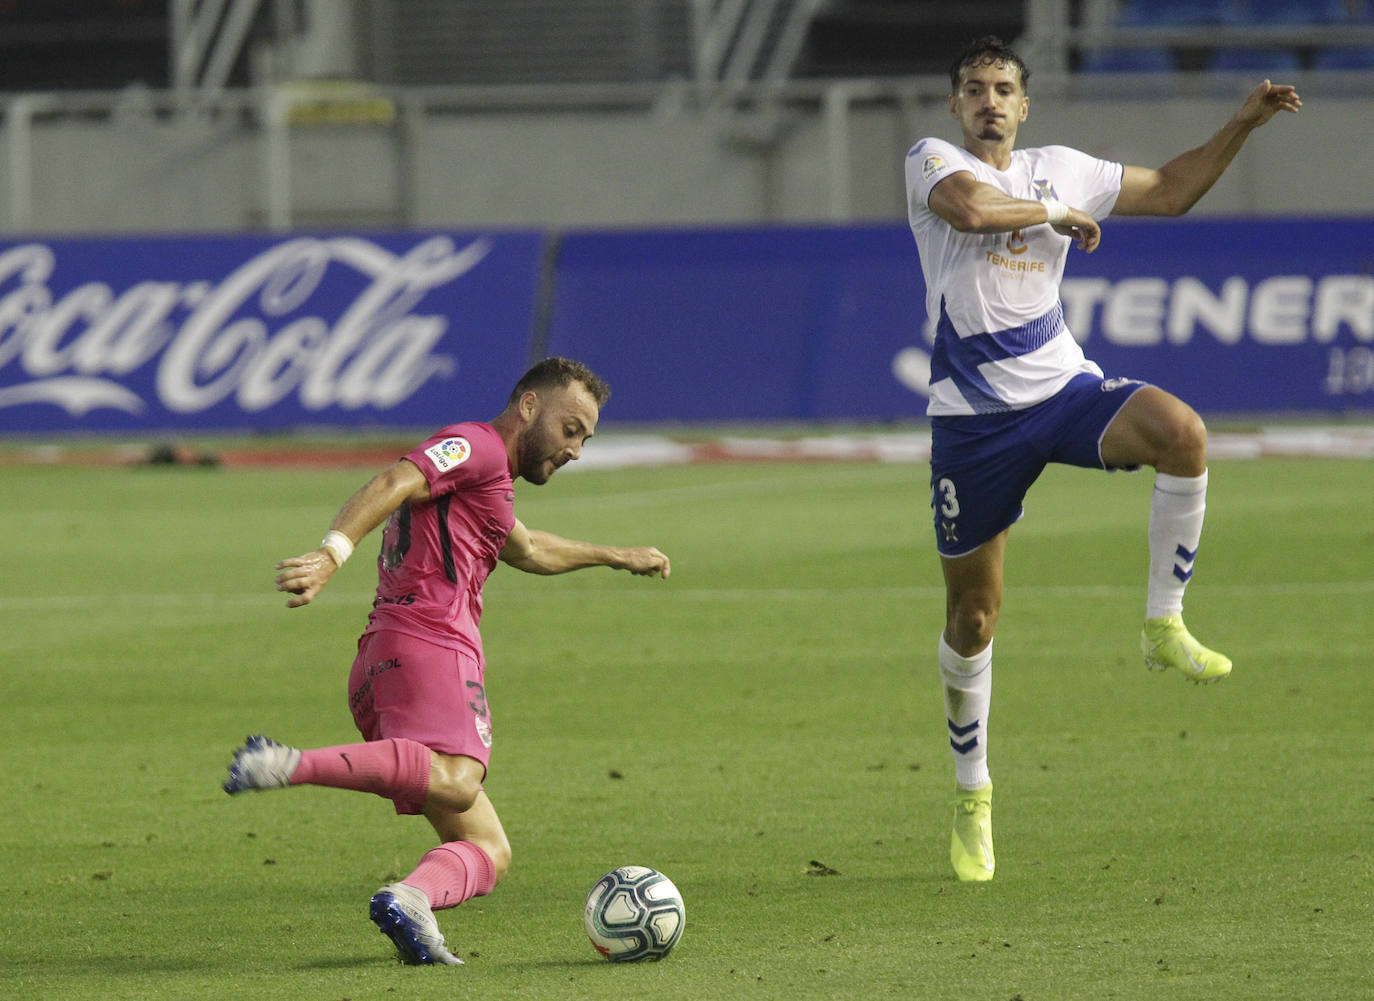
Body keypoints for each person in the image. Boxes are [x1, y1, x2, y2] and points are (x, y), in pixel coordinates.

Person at [904, 36, 1300, 882]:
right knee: (973, 617)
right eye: (973, 88)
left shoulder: (1063, 167)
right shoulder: (931, 159)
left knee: (1183, 434)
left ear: (1025, 103)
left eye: (1003, 88)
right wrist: (1050, 216)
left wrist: (1242, 123)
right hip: (973, 423)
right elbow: (969, 212)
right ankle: (973, 797)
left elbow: (1176, 188)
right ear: (954, 105)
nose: (988, 101)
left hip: (1064, 390)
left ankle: (1164, 623)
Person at [222, 357, 671, 964]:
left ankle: (412, 900)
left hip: (384, 657)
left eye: (585, 439)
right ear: (531, 407)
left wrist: (615, 554)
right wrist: (333, 551)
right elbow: (395, 481)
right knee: (459, 780)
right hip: (429, 642)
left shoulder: (490, 482)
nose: (576, 450)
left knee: (487, 846)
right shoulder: (478, 447)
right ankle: (286, 764)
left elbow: (529, 548)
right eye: (571, 430)